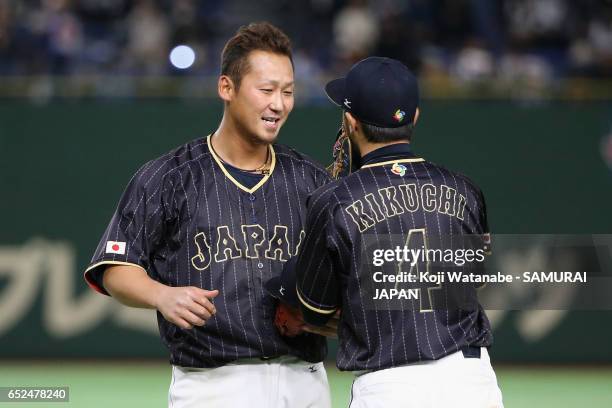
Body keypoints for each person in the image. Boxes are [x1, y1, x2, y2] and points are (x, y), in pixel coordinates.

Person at [83, 22, 332, 408]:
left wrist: (319, 317)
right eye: (266, 90)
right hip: (213, 384)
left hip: (304, 380)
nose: (279, 104)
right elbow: (114, 266)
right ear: (226, 88)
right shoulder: (168, 176)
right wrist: (161, 294)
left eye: (288, 92)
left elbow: (343, 283)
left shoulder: (312, 180)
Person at [295, 56, 504, 407]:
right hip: (472, 381)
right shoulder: (465, 190)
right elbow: (473, 281)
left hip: (388, 383)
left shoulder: (333, 200)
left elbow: (314, 310)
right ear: (416, 117)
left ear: (349, 122)